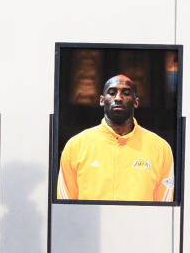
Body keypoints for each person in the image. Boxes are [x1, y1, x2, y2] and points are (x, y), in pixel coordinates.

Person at [58, 74, 174, 202]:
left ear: (136, 102)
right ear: (102, 100)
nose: (118, 98)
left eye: (126, 93)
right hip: (90, 222)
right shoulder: (76, 146)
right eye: (112, 93)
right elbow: (65, 204)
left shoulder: (160, 148)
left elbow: (165, 207)